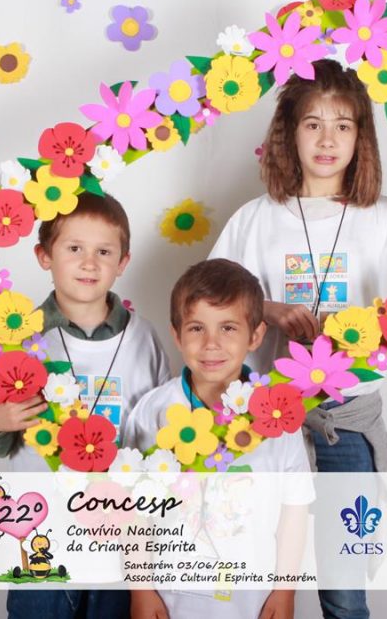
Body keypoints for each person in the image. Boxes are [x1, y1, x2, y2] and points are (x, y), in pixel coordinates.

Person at [208, 59, 387, 619]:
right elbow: (208, 301)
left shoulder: (385, 219)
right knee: (256, 576)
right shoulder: (255, 218)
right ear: (288, 133)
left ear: (361, 136)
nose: (327, 139)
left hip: (348, 421)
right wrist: (266, 308)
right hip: (267, 420)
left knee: (343, 588)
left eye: (343, 125)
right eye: (313, 124)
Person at [0, 192, 170, 619]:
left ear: (123, 262)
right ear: (44, 256)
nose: (89, 263)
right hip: (42, 545)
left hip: (118, 547)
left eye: (104, 252)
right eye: (74, 248)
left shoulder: (143, 337)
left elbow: (161, 432)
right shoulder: (22, 338)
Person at [124, 258, 313, 619]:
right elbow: (134, 514)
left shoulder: (277, 417)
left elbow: (294, 509)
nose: (211, 344)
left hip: (253, 602)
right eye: (197, 328)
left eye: (228, 328)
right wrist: (142, 591)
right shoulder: (152, 412)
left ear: (255, 336)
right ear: (177, 335)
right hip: (169, 600)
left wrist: (285, 591)